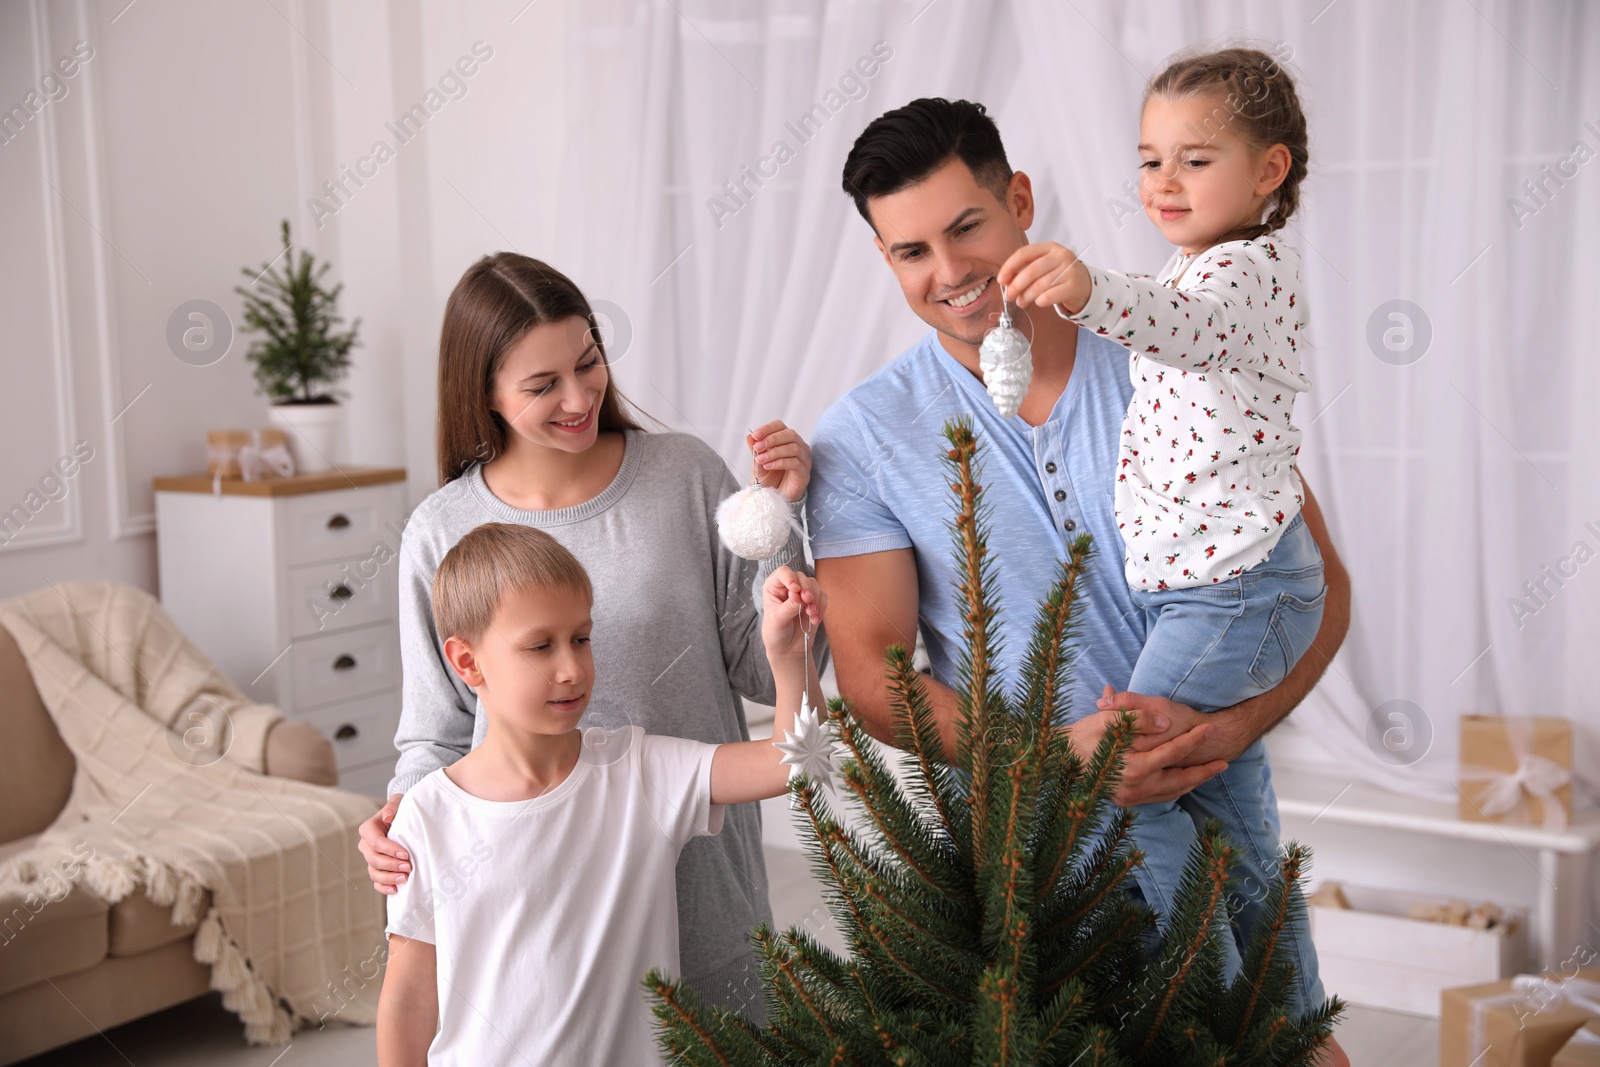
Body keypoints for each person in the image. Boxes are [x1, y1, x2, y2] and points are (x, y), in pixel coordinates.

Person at [808, 94, 1349, 1065]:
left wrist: (1226, 729)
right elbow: (873, 676)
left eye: (966, 226)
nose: (948, 271)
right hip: (1036, 870)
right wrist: (1064, 755)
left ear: (1018, 199)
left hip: (1220, 809)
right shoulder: (863, 437)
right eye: (910, 252)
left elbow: (1316, 582)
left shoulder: (1170, 344)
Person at [358, 253, 821, 1013]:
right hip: (537, 912)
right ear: (486, 394)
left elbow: (773, 678)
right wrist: (399, 823)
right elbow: (436, 736)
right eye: (543, 385)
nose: (579, 397)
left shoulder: (685, 476)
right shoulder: (440, 530)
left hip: (706, 893)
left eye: (589, 362)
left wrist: (780, 527)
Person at [996, 39, 1333, 1035]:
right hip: (1216, 586)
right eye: (1149, 158)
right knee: (1228, 814)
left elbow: (1171, 327)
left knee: (1119, 782)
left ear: (1267, 170)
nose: (1163, 180)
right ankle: (1295, 1027)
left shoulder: (1241, 275)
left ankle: (1219, 1011)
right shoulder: (1195, 268)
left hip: (1238, 589)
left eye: (1195, 157)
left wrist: (1083, 285)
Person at [376, 523, 824, 1066]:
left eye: (581, 638)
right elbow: (409, 1000)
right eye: (541, 646)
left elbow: (799, 761)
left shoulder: (639, 772)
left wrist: (791, 656)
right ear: (467, 662)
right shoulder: (426, 815)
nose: (572, 669)